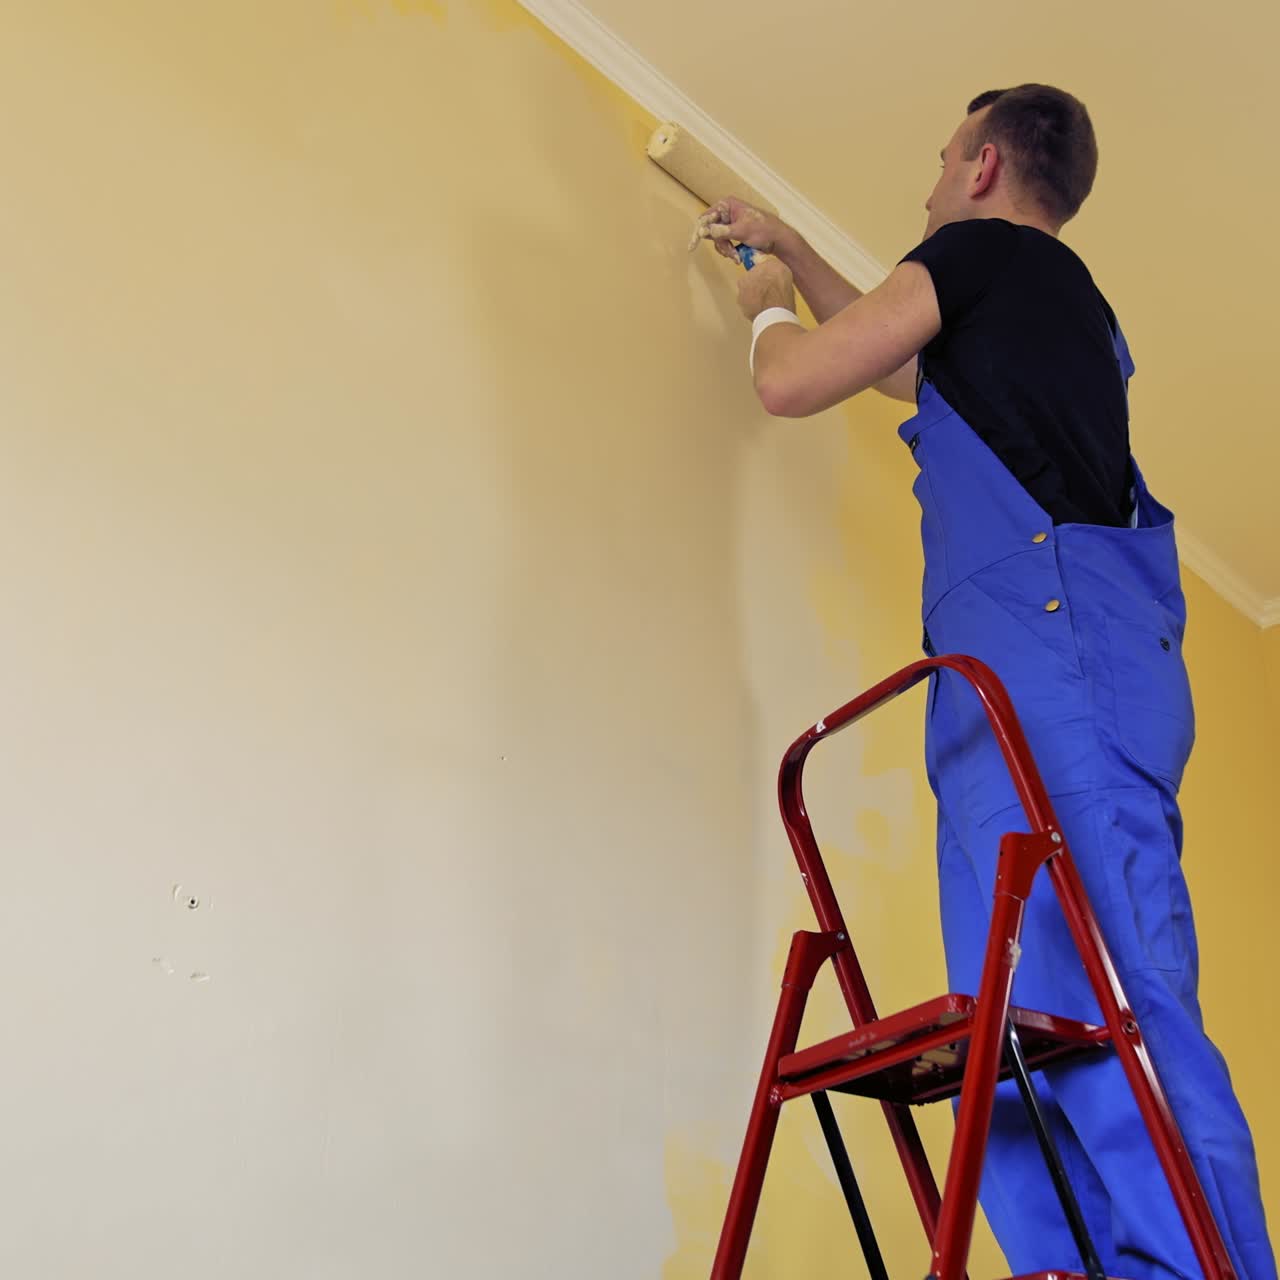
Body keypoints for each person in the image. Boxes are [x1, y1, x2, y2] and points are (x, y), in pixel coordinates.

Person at [698, 85, 1275, 1280]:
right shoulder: (1029, 320)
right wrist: (796, 247)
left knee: (1122, 996)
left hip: (1058, 664)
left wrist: (763, 306)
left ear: (979, 167)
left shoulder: (976, 257)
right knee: (1010, 1036)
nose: (925, 182)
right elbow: (900, 368)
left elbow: (796, 378)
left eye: (939, 157)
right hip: (1000, 690)